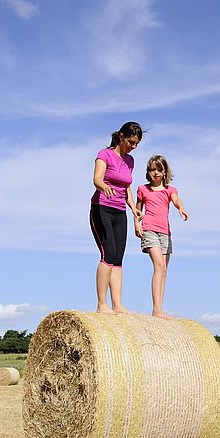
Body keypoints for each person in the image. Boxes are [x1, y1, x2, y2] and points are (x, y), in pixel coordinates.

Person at [90, 121, 143, 314]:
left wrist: (132, 208)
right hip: (101, 208)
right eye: (131, 141)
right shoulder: (104, 154)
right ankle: (101, 304)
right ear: (121, 137)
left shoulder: (130, 161)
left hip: (120, 211)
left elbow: (127, 186)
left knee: (118, 259)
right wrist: (104, 187)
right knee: (108, 255)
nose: (133, 146)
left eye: (136, 143)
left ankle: (117, 304)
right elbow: (97, 178)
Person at [134, 155, 189, 319]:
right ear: (148, 172)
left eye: (159, 169)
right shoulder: (143, 190)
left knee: (164, 270)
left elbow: (176, 200)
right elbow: (138, 210)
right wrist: (137, 224)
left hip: (165, 233)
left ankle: (160, 307)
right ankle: (156, 309)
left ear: (165, 172)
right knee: (159, 266)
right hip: (149, 230)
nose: (156, 173)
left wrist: (181, 208)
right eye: (152, 170)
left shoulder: (170, 190)